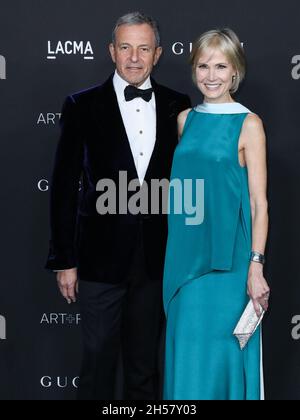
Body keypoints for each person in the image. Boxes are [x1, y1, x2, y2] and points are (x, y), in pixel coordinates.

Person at [45, 12, 191, 400]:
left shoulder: (181, 105)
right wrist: (64, 259)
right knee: (97, 365)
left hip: (158, 260)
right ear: (111, 51)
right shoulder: (81, 105)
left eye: (144, 48)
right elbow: (63, 186)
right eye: (125, 47)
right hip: (97, 261)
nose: (134, 57)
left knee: (145, 369)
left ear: (158, 54)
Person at [163, 28, 270, 400]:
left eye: (221, 66)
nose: (211, 76)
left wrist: (255, 265)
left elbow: (259, 203)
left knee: (223, 357)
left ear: (235, 72)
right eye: (204, 66)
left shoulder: (249, 123)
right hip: (183, 262)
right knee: (188, 358)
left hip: (229, 267)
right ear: (194, 70)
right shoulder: (185, 120)